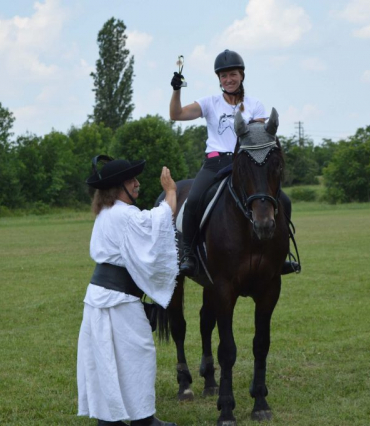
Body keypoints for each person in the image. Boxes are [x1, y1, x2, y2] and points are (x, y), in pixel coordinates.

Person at [169, 49, 300, 276]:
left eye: (232, 75)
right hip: (215, 164)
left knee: (284, 201)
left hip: (246, 164)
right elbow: (176, 114)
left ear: (241, 75)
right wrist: (176, 89)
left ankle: (282, 256)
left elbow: (259, 136)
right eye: (223, 76)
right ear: (219, 79)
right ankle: (189, 254)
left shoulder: (255, 105)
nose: (228, 80)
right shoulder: (209, 103)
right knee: (193, 202)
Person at [76, 156, 179, 426]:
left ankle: (115, 420)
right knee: (138, 355)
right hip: (116, 299)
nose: (137, 184)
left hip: (103, 298)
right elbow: (157, 223)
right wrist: (170, 192)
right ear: (117, 188)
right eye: (131, 180)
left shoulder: (107, 213)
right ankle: (141, 421)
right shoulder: (124, 214)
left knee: (110, 360)